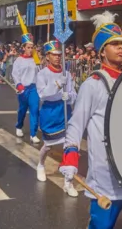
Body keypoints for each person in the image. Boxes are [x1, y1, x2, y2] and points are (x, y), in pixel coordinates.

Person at [59, 11, 122, 228]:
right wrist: (70, 156)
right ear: (102, 51)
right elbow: (77, 124)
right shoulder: (92, 84)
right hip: (106, 176)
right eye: (115, 44)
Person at [36, 40, 78, 197]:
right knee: (48, 145)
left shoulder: (66, 73)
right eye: (54, 55)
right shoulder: (42, 74)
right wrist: (57, 85)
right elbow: (43, 95)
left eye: (59, 55)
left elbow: (73, 92)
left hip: (65, 111)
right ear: (47, 56)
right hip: (50, 112)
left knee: (70, 144)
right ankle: (40, 164)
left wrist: (70, 96)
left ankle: (68, 181)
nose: (57, 57)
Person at [12, 33, 40, 143]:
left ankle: (33, 134)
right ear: (23, 48)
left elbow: (39, 74)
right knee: (22, 110)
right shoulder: (18, 60)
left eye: (31, 47)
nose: (30, 49)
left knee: (34, 110)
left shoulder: (35, 60)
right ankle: (19, 126)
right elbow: (15, 74)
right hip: (23, 88)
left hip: (33, 88)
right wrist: (19, 85)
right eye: (28, 47)